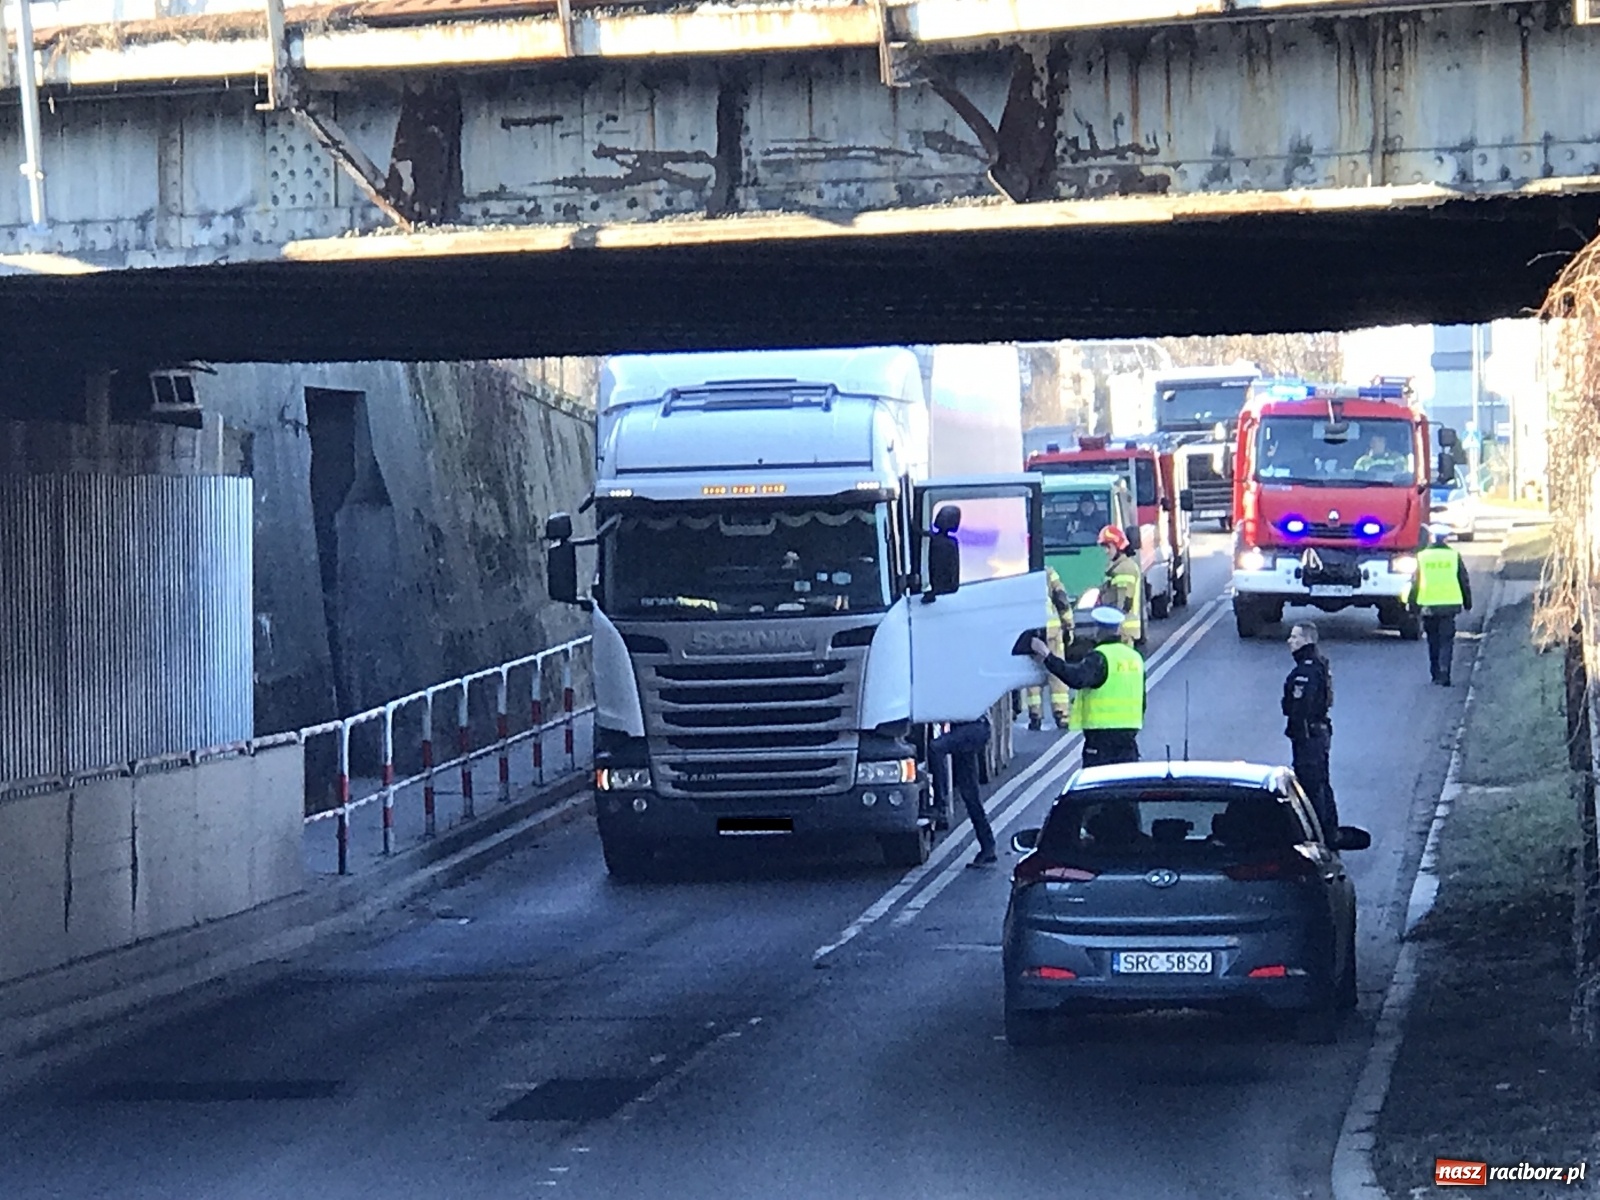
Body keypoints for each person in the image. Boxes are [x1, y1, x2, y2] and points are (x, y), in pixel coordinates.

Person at [1030, 605, 1145, 768]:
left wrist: (1047, 656)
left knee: (1097, 787)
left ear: (1098, 630)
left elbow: (1075, 678)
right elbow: (1142, 700)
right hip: (1129, 736)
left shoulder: (1100, 657)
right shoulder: (1135, 658)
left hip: (1101, 738)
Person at [1281, 621, 1338, 836]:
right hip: (1318, 733)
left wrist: (1297, 729)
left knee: (1310, 786)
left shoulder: (1305, 671)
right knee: (1322, 783)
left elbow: (1298, 706)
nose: (1290, 641)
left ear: (1306, 640)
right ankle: (1330, 831)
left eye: (1295, 637)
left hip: (1308, 735)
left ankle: (1318, 834)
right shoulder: (1319, 664)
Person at [929, 717, 998, 867]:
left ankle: (940, 805)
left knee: (935, 748)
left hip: (971, 728)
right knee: (969, 794)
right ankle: (988, 847)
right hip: (973, 729)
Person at [1413, 524, 1473, 686]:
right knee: (1446, 641)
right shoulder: (1453, 556)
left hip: (1428, 606)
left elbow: (1415, 583)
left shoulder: (1422, 557)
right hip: (1449, 607)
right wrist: (1468, 603)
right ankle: (1445, 674)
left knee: (1433, 641)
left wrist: (1413, 606)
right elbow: (1463, 581)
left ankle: (1435, 674)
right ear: (1446, 538)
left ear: (1432, 537)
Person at [1024, 565, 1074, 731]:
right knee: (1057, 673)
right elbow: (1061, 599)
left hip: (1030, 629)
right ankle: (1061, 714)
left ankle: (1035, 715)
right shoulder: (1048, 572)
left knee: (1032, 672)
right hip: (1052, 629)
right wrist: (1068, 625)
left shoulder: (1019, 573)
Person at [1097, 525, 1144, 647]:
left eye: (1108, 546)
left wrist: (1114, 628)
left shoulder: (1125, 569)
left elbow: (1124, 603)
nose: (1106, 551)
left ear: (1118, 546)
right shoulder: (1117, 568)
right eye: (1104, 547)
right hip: (1120, 629)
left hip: (1122, 630)